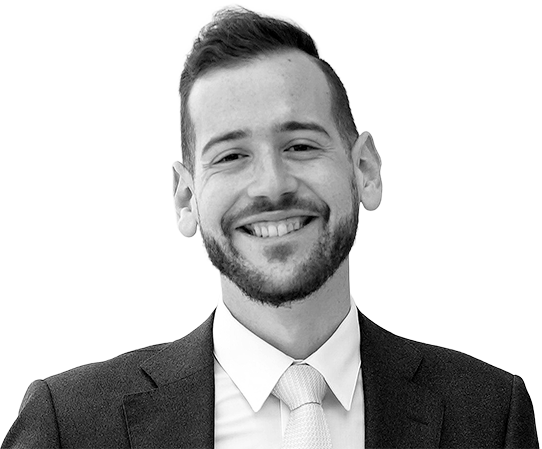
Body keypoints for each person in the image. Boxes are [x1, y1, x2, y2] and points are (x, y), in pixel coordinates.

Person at [2, 6, 538, 449]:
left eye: (300, 145)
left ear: (365, 171)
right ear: (186, 198)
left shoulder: (489, 415)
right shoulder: (69, 425)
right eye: (231, 156)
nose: (271, 185)